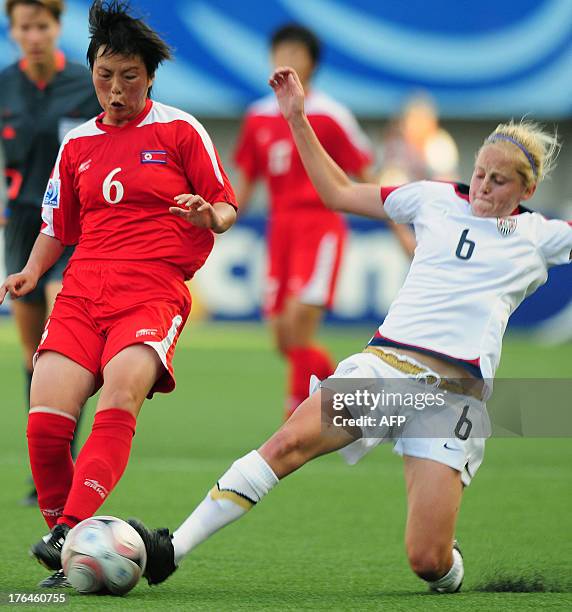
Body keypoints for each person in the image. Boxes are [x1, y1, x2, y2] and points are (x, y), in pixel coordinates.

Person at [128, 67, 571, 592]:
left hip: (454, 400)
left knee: (427, 560)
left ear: (528, 188)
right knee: (287, 443)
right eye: (479, 172)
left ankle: (448, 568)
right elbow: (337, 192)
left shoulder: (541, 235)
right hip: (385, 369)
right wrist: (297, 119)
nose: (482, 187)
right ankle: (172, 549)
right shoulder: (431, 197)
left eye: (498, 181)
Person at [0, 0, 237, 589]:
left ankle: (72, 529)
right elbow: (58, 225)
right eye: (105, 76)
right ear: (92, 75)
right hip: (82, 291)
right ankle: (65, 537)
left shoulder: (181, 130)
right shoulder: (78, 144)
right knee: (46, 423)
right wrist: (31, 272)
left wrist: (211, 215)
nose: (116, 89)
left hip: (152, 293)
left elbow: (227, 203)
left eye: (129, 77)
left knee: (119, 399)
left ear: (149, 77)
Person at [234, 24, 415, 420]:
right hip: (278, 232)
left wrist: (400, 230)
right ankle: (350, 390)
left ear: (312, 63)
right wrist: (215, 222)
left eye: (295, 53)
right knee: (283, 337)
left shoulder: (331, 116)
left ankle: (295, 420)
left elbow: (368, 177)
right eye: (280, 51)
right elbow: (244, 187)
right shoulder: (257, 118)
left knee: (300, 323)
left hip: (320, 229)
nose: (286, 59)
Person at [0, 0, 101, 506]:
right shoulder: (5, 84)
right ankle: (46, 471)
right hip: (21, 224)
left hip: (73, 225)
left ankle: (72, 456)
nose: (34, 34)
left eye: (43, 25)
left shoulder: (87, 86)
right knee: (30, 352)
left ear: (58, 27)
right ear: (13, 31)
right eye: (25, 27)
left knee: (63, 333)